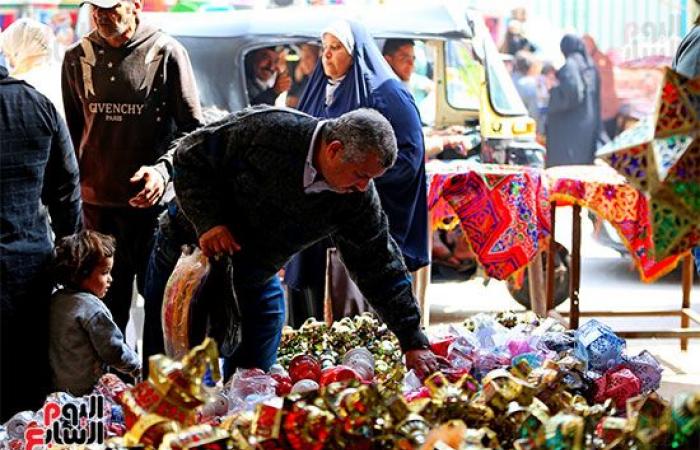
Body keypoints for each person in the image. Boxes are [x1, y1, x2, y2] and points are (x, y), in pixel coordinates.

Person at [173, 105, 442, 378]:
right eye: (360, 175)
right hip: (188, 256)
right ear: (334, 149)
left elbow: (378, 262)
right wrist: (208, 221)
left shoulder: (356, 197)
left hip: (255, 270)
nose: (363, 187)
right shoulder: (270, 130)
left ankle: (239, 414)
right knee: (175, 369)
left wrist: (412, 340)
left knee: (253, 374)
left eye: (370, 179)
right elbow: (188, 155)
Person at [61, 0, 203, 334]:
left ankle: (157, 385)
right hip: (98, 215)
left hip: (153, 213)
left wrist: (162, 170)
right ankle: (112, 385)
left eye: (111, 7)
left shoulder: (167, 52)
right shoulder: (75, 58)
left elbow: (193, 133)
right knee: (105, 317)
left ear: (136, 5)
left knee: (161, 313)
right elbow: (72, 135)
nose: (101, 14)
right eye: (95, 7)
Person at [284, 21, 429, 325]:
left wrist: (355, 179)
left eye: (336, 48)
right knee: (311, 319)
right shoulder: (316, 90)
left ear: (355, 52)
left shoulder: (387, 94)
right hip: (316, 224)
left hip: (362, 219)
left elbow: (408, 158)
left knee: (360, 318)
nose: (327, 56)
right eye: (324, 48)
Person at [0, 64, 82, 420]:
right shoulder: (40, 105)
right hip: (30, 267)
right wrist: (71, 258)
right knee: (28, 374)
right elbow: (66, 190)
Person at [49, 230, 141, 396]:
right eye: (105, 272)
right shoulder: (93, 310)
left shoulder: (56, 299)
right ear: (82, 272)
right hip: (87, 391)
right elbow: (113, 350)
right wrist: (134, 364)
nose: (110, 279)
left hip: (57, 387)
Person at [545, 34, 601, 167]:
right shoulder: (590, 67)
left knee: (565, 169)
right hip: (587, 124)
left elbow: (573, 92)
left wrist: (553, 91)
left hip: (570, 127)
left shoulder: (571, 65)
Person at [0, 18, 64, 113]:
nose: (9, 60)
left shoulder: (17, 85)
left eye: (8, 54)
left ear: (18, 49)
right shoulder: (60, 76)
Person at [582, 34, 621, 140]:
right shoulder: (596, 60)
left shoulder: (598, 62)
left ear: (591, 46)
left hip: (605, 111)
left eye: (585, 46)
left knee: (605, 144)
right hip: (603, 111)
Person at [287, 43, 319, 108]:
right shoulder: (305, 79)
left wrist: (299, 102)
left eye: (308, 57)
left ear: (318, 57)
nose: (304, 62)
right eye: (302, 58)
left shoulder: (323, 81)